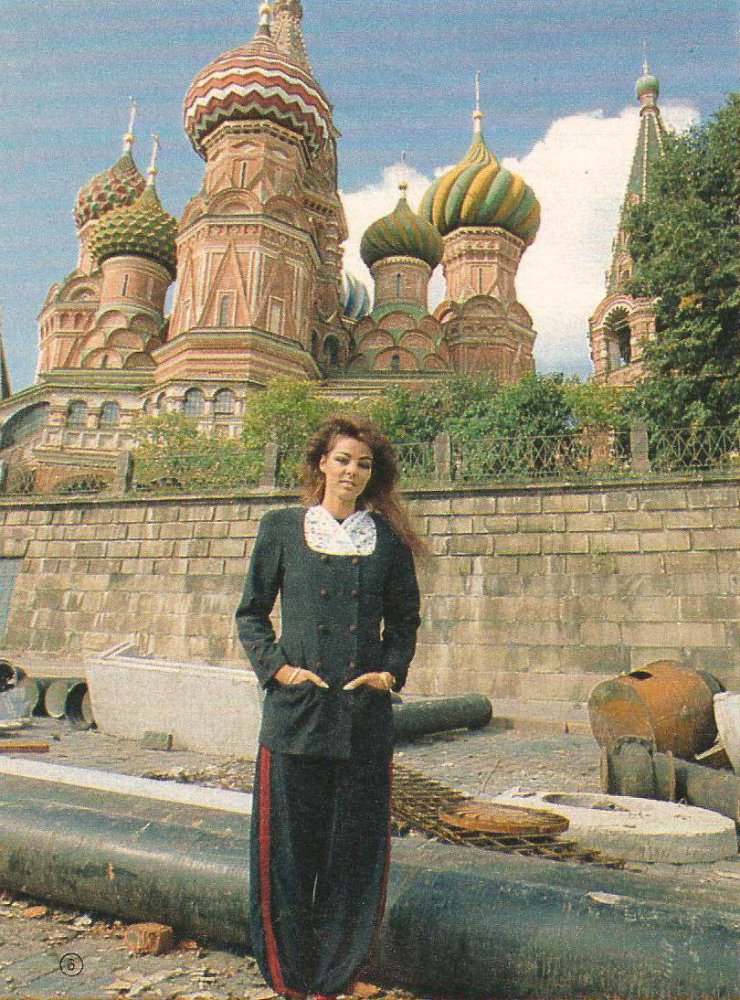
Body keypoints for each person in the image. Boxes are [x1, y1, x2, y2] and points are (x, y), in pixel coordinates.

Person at [235, 415, 423, 1000]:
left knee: (355, 854)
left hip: (362, 719)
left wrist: (388, 673)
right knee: (288, 855)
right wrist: (280, 671)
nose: (352, 472)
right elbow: (251, 614)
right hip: (296, 715)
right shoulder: (281, 528)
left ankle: (334, 978)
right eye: (342, 459)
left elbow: (405, 623)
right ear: (321, 463)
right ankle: (290, 978)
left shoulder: (388, 540)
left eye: (363, 464)